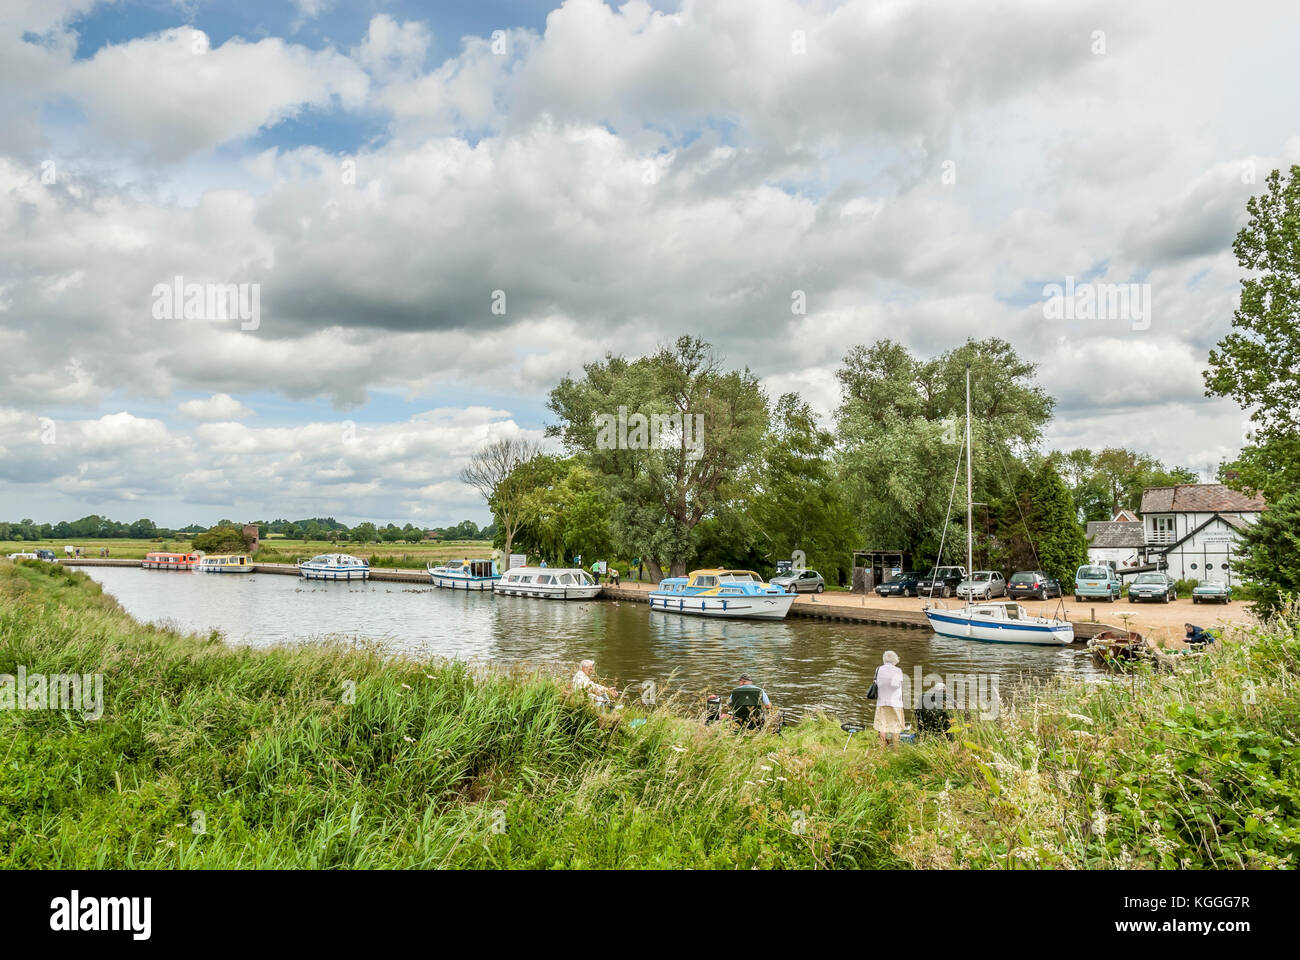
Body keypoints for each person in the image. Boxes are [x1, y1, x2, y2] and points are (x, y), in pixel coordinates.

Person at [872, 651, 905, 748]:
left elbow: (877, 683)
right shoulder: (898, 670)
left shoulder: (878, 669)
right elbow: (897, 685)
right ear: (895, 659)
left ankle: (882, 749)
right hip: (896, 703)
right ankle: (896, 750)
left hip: (881, 702)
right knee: (895, 727)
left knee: (882, 726)